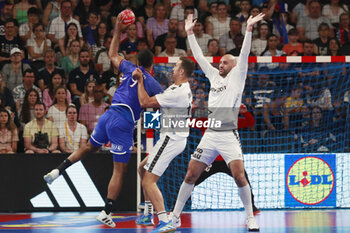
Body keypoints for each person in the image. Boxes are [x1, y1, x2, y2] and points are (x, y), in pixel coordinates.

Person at [43, 12, 163, 228]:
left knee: (89, 146)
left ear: (138, 61)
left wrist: (117, 28)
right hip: (124, 123)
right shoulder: (153, 83)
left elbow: (112, 52)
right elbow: (157, 105)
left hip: (108, 115)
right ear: (152, 64)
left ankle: (58, 170)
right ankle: (107, 212)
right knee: (119, 170)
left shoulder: (128, 67)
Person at [169, 13, 264, 231]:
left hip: (229, 135)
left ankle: (250, 217)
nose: (220, 63)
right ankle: (174, 216)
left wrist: (248, 29)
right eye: (220, 61)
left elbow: (244, 53)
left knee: (240, 177)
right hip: (210, 134)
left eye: (224, 62)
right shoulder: (213, 76)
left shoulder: (238, 77)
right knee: (191, 174)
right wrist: (190, 34)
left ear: (234, 65)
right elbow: (199, 57)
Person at [134, 56, 194, 232]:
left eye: (175, 67)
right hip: (171, 137)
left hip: (171, 139)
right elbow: (162, 108)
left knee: (148, 182)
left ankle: (164, 220)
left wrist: (139, 81)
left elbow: (145, 102)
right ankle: (147, 213)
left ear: (182, 71)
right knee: (142, 168)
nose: (172, 69)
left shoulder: (178, 92)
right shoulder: (178, 88)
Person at [194, 104, 259, 214]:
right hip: (210, 161)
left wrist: (245, 112)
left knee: (244, 180)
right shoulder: (205, 122)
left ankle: (252, 207)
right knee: (191, 180)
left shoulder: (231, 122)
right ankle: (177, 207)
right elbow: (187, 122)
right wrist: (192, 109)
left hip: (228, 161)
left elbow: (250, 123)